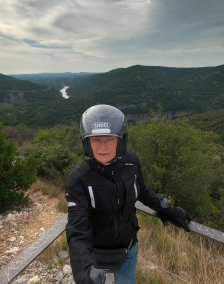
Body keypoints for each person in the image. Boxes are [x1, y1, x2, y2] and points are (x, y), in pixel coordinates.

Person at [65, 104, 192, 284]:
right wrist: (82, 269)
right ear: (87, 142)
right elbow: (76, 227)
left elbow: (143, 191)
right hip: (94, 253)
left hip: (128, 248)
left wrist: (165, 209)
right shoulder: (78, 179)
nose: (102, 147)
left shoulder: (131, 163)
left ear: (121, 141)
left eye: (109, 139)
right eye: (96, 140)